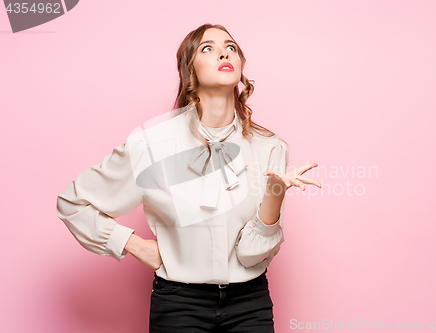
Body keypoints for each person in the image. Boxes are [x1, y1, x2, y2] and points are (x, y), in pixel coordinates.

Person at [56, 23, 321, 332]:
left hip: (250, 303)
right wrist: (132, 244)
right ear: (189, 71)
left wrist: (275, 195)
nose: (224, 51)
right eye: (207, 48)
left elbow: (251, 255)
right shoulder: (152, 144)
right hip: (179, 304)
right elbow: (73, 203)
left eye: (231, 46)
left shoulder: (270, 147)